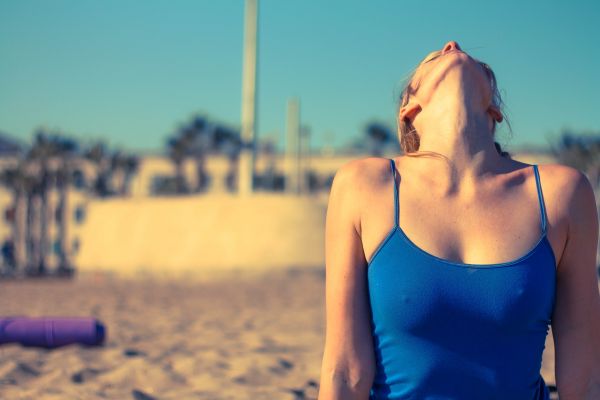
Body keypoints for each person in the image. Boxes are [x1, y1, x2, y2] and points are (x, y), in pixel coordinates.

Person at [318, 40, 600, 399]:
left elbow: (587, 379)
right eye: (435, 56)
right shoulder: (365, 186)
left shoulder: (561, 193)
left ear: (494, 109)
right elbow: (344, 371)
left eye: (476, 61)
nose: (451, 44)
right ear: (409, 107)